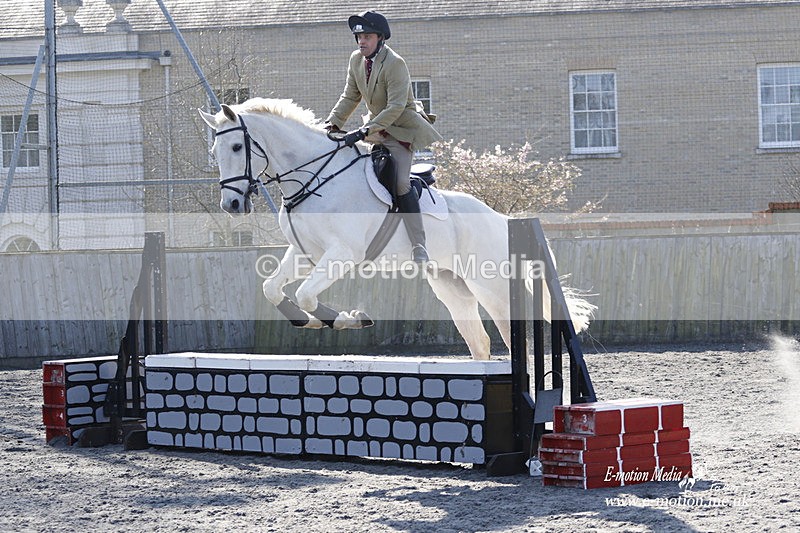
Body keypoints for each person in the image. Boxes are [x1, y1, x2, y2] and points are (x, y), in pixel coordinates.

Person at [324, 11, 442, 264]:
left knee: (400, 183)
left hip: (400, 131)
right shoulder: (356, 60)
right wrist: (333, 123)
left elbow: (396, 107)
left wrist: (364, 131)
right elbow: (350, 96)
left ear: (380, 38)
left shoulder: (395, 63)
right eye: (358, 37)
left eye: (366, 36)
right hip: (376, 130)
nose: (361, 42)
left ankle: (419, 244)